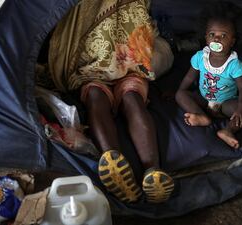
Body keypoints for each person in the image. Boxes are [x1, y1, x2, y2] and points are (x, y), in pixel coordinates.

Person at [48, 0, 174, 204]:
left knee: (101, 100)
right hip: (122, 61)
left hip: (105, 64)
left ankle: (116, 163)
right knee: (129, 101)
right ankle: (151, 169)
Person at [175, 1, 242, 149]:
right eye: (212, 34)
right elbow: (189, 77)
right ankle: (201, 116)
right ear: (206, 37)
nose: (216, 39)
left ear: (232, 41)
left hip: (225, 104)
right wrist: (181, 90)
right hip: (204, 101)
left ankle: (228, 130)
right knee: (180, 94)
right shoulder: (200, 57)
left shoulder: (234, 64)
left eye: (223, 35)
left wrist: (241, 107)